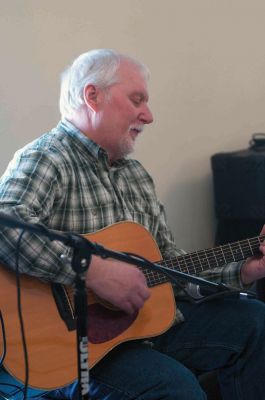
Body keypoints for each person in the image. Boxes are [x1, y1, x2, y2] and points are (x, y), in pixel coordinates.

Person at [0, 49, 265, 400]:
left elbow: (171, 267)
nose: (149, 115)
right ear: (92, 96)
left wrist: (244, 270)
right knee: (174, 388)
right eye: (137, 99)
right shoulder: (46, 158)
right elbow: (7, 228)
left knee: (256, 322)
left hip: (141, 327)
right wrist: (93, 271)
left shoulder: (136, 175)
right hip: (71, 348)